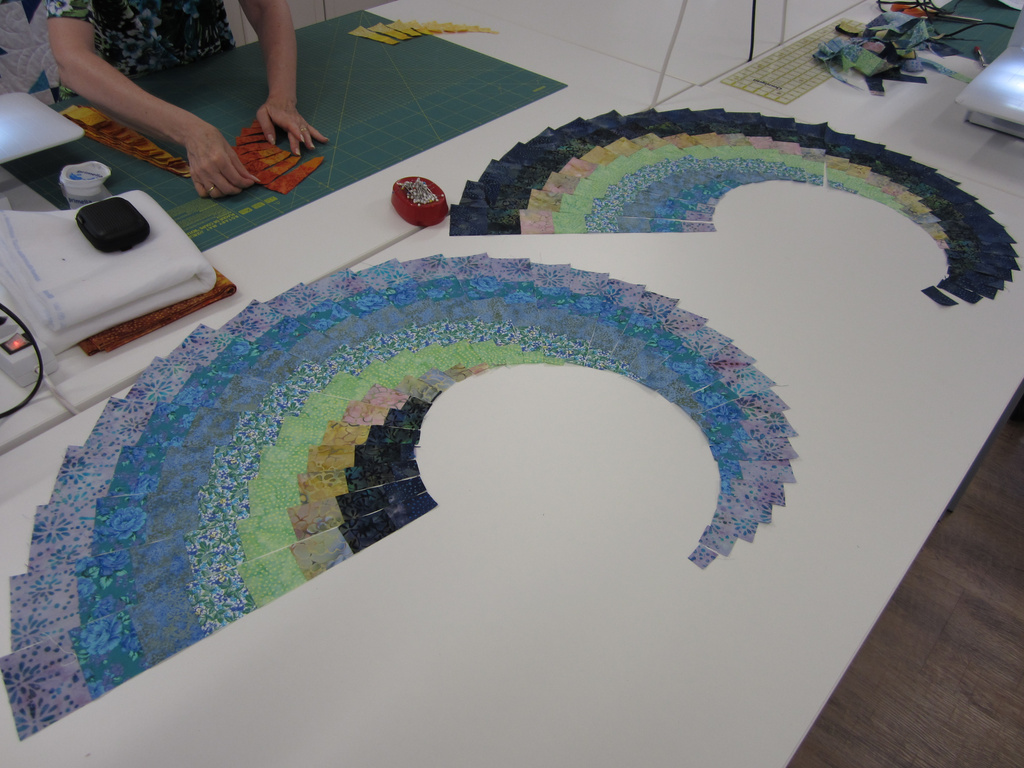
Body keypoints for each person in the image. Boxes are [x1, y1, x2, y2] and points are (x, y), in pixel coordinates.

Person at [46, 0, 327, 199]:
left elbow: (265, 6)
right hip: (110, 97)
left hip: (211, 72)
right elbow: (72, 59)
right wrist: (190, 131)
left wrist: (282, 97)